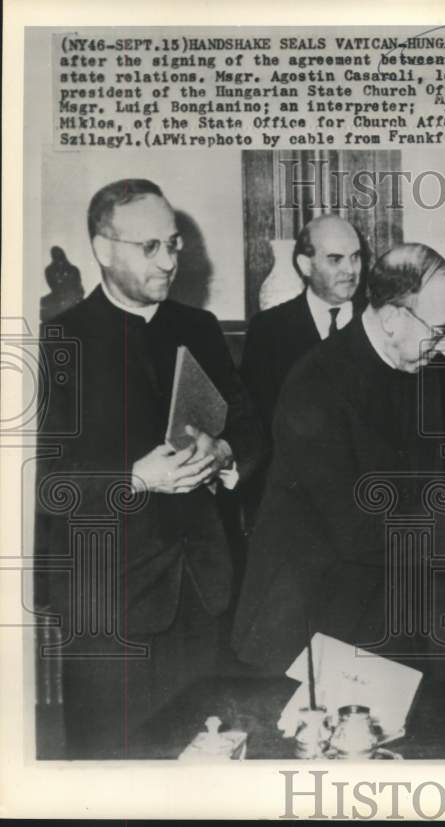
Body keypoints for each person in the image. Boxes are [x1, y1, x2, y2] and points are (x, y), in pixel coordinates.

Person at [35, 179, 263, 757]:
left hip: (203, 591)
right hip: (110, 602)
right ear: (103, 249)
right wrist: (137, 478)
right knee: (114, 772)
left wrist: (225, 452)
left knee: (206, 763)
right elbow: (40, 482)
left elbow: (250, 430)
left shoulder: (199, 328)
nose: (168, 261)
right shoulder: (57, 341)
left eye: (174, 244)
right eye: (150, 248)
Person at [232, 243, 445, 676]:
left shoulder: (419, 367)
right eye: (439, 331)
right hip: (307, 626)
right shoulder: (316, 382)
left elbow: (425, 485)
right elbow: (353, 524)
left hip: (389, 613)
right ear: (391, 318)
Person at [239, 215, 366, 524]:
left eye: (356, 257)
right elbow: (257, 426)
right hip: (293, 507)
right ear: (305, 265)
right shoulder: (268, 330)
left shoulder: (380, 321)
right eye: (335, 259)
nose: (351, 270)